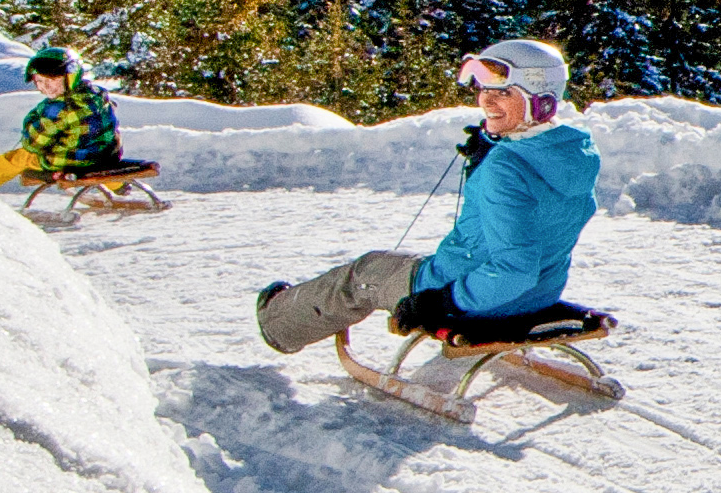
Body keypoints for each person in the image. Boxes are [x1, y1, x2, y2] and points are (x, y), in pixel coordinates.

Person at [248, 39, 601, 356]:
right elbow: (535, 215)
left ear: (540, 101)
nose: (487, 101)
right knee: (401, 263)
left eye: (505, 93)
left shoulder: (505, 168)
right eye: (484, 90)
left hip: (477, 296)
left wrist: (441, 301)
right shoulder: (572, 153)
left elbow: (514, 269)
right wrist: (493, 147)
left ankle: (277, 324)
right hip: (539, 293)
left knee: (366, 273)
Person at [0, 48, 120, 191]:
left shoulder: (59, 109)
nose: (46, 87)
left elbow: (33, 143)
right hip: (106, 155)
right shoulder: (95, 94)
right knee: (90, 143)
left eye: (52, 81)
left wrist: (32, 120)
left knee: (21, 157)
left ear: (70, 77)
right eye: (40, 81)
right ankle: (117, 184)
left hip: (71, 163)